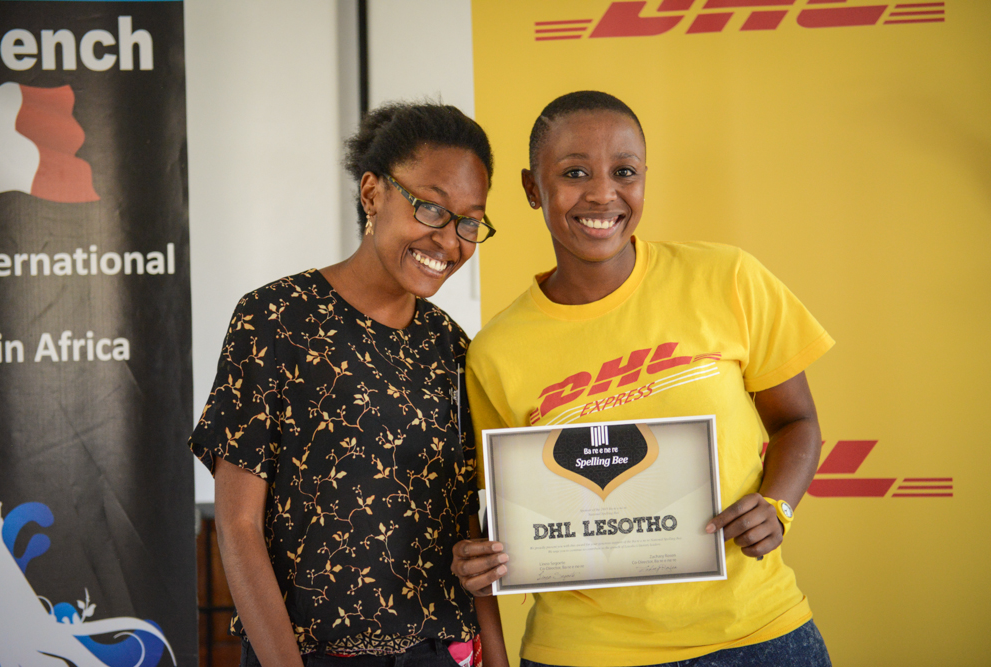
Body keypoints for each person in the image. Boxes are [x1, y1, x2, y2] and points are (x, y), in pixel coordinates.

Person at [451, 91, 834, 666]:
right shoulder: (495, 352)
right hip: (583, 652)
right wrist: (481, 558)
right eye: (574, 173)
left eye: (624, 172)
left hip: (757, 634)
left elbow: (797, 421)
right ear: (532, 188)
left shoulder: (727, 277)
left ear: (645, 178)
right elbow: (500, 513)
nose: (602, 193)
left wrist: (777, 505)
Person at [189, 102, 508, 667]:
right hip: (309, 654)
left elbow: (469, 531)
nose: (449, 240)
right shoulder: (275, 319)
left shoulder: (453, 348)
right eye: (431, 208)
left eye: (468, 221)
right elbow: (238, 526)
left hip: (439, 652)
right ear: (372, 193)